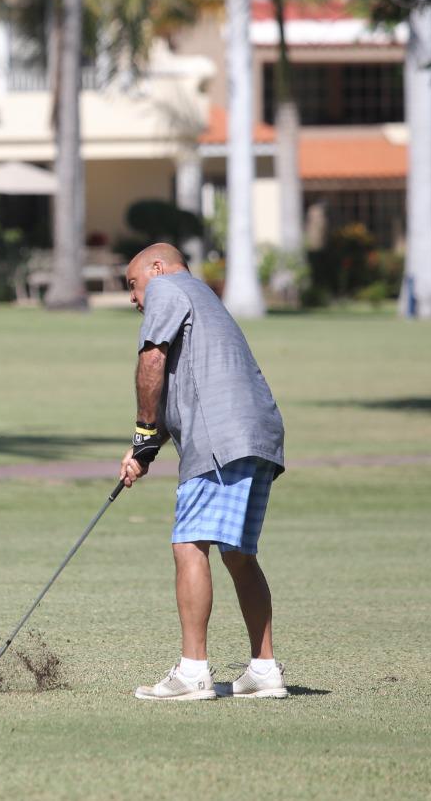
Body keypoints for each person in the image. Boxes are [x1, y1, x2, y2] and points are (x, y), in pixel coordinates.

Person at [120, 242, 289, 701]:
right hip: (258, 433)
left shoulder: (168, 288)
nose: (135, 299)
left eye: (133, 286)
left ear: (156, 268)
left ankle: (193, 672)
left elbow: (152, 359)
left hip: (221, 438)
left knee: (189, 544)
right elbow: (189, 385)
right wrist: (149, 448)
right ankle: (264, 670)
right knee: (238, 553)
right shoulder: (203, 297)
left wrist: (140, 433)